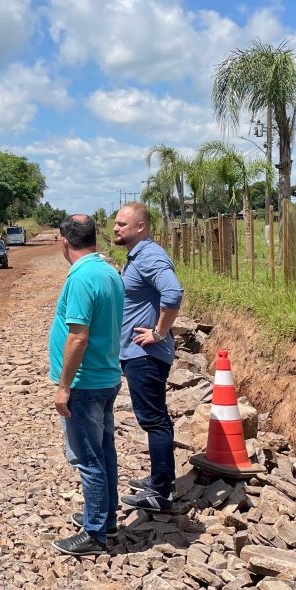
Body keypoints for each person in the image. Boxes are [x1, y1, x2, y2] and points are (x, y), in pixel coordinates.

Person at [48, 214, 125, 556]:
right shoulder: (108, 271)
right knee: (105, 452)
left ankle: (94, 533)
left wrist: (64, 386)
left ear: (65, 240)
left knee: (88, 458)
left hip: (86, 382)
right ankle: (104, 517)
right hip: (106, 376)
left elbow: (78, 337)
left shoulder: (81, 278)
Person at [113, 203, 184, 514]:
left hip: (146, 354)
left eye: (122, 224)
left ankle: (160, 492)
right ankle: (160, 479)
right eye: (116, 224)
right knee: (153, 419)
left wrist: (158, 332)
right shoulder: (138, 257)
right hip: (137, 353)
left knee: (154, 420)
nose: (116, 229)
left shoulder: (151, 256)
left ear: (140, 227)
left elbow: (173, 294)